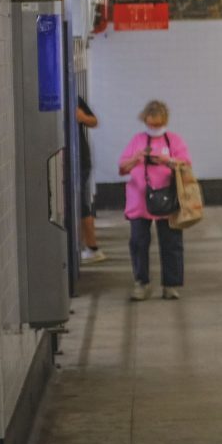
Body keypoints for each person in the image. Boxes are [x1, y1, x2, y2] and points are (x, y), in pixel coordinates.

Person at [119, 100, 190, 301]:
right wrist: (137, 158)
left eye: (158, 125)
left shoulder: (174, 141)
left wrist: (167, 161)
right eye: (151, 125)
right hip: (139, 201)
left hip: (168, 200)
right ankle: (141, 282)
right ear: (145, 121)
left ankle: (171, 284)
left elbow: (186, 165)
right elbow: (123, 168)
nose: (155, 129)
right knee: (138, 242)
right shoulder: (137, 141)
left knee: (171, 243)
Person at [76, 95, 106, 263]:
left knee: (81, 205)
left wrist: (82, 117)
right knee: (79, 205)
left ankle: (92, 247)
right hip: (72, 160)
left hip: (80, 160)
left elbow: (94, 121)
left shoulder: (72, 96)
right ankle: (86, 247)